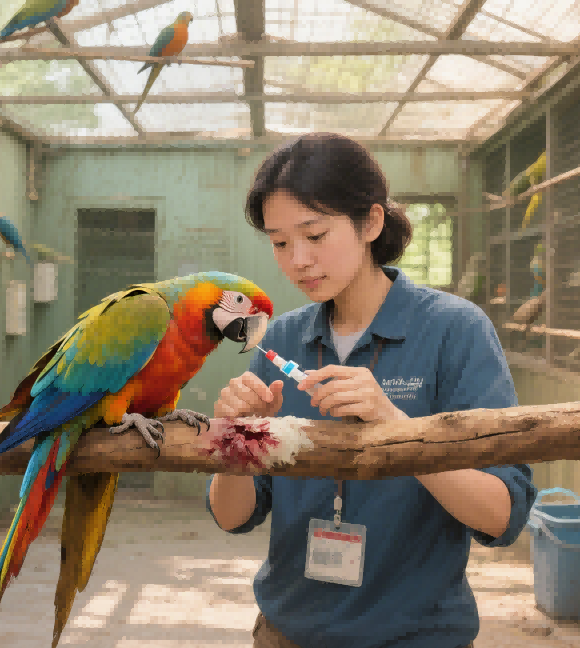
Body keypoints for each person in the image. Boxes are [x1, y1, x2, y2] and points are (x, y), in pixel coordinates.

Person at [205, 133, 537, 648]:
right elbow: (233, 516)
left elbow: (502, 516)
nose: (297, 260)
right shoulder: (284, 339)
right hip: (287, 633)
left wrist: (397, 429)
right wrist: (234, 442)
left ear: (371, 223)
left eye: (315, 235)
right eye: (279, 242)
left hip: (418, 637)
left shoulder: (455, 330)